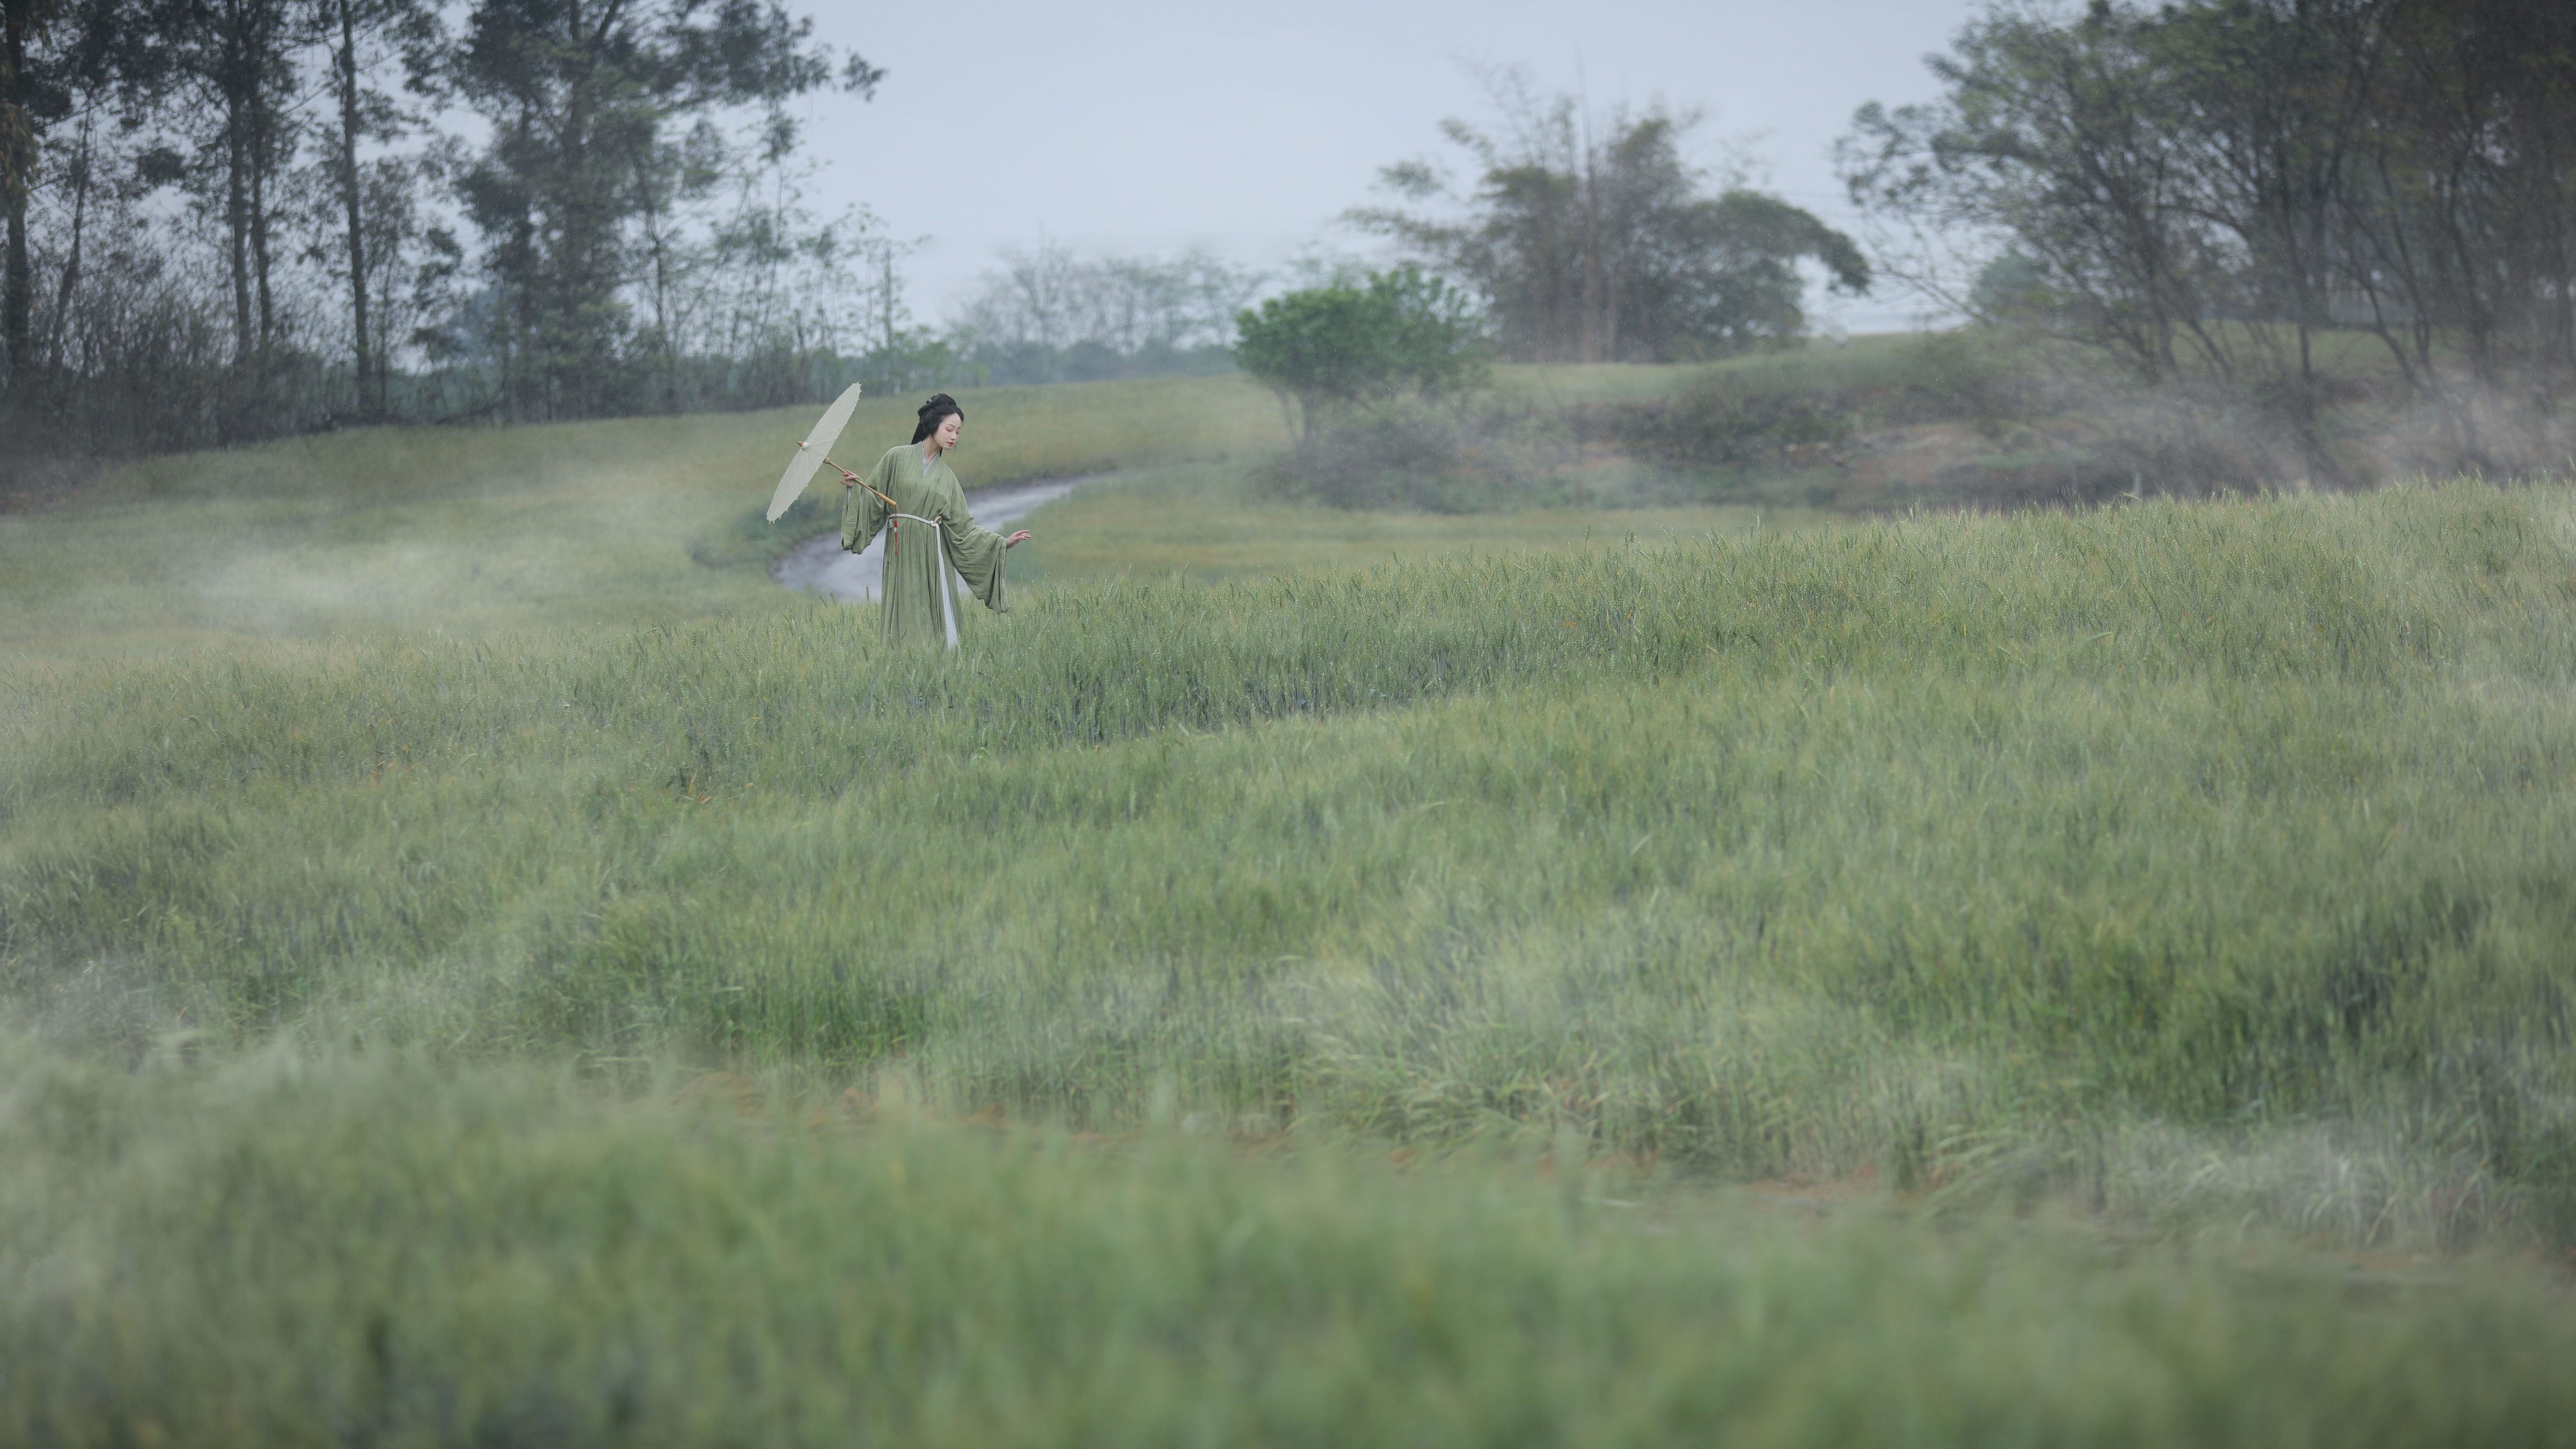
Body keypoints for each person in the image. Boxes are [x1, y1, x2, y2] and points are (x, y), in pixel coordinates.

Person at [838, 393, 1033, 648]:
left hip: (933, 555)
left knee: (936, 616)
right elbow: (875, 501)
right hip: (899, 551)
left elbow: (963, 531)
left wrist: (1002, 544)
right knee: (903, 613)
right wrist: (857, 489)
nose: (954, 437)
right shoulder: (896, 458)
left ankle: (939, 666)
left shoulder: (948, 479)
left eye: (958, 432)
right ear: (932, 426)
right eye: (949, 429)